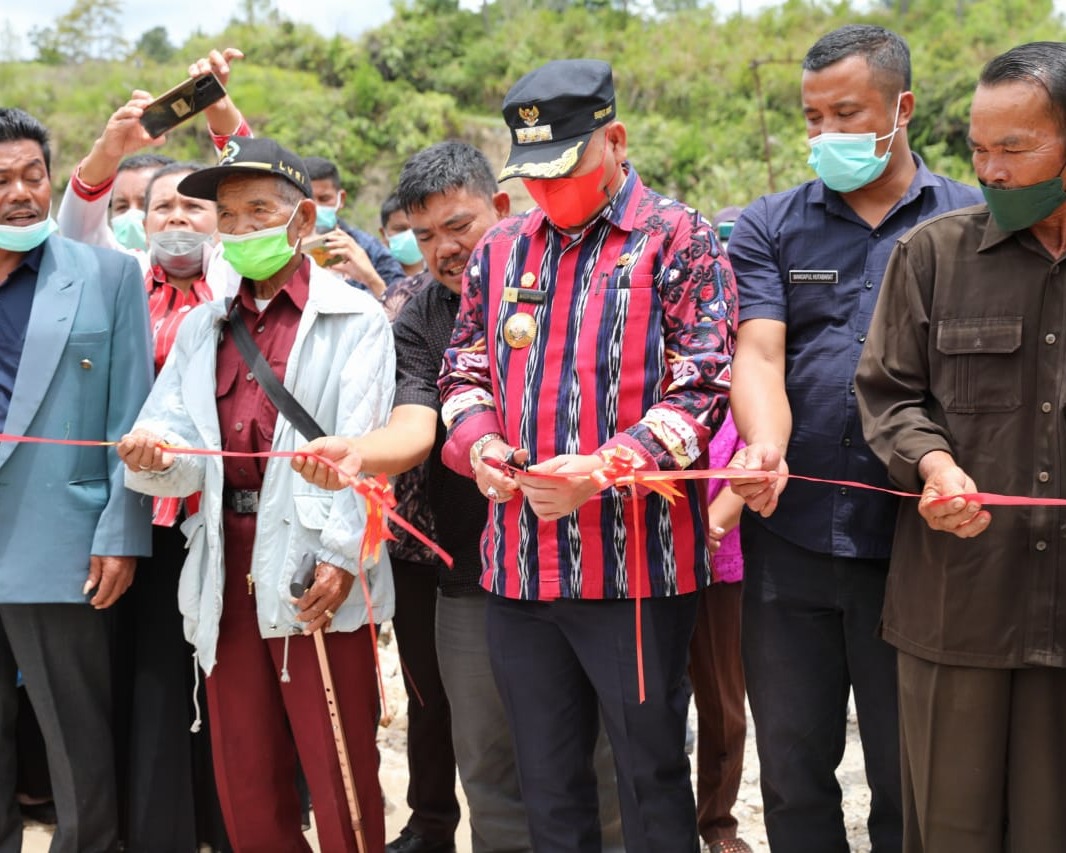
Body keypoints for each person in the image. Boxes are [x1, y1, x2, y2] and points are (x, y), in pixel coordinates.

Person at [292, 139, 625, 853]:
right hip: (474, 577)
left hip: (591, 564)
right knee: (487, 761)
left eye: (459, 225)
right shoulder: (419, 318)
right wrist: (359, 452)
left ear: (503, 208)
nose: (444, 248)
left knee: (601, 759)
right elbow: (416, 422)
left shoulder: (580, 281)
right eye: (424, 235)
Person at [436, 59, 736, 852]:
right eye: (531, 174)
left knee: (650, 774)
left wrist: (605, 469)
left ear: (614, 139)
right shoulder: (500, 249)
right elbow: (463, 367)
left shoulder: (677, 237)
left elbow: (704, 387)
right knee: (548, 777)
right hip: (519, 568)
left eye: (564, 168)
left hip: (634, 568)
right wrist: (482, 445)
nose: (547, 189)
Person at [725, 24, 982, 853]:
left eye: (846, 112)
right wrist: (763, 445)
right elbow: (760, 352)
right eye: (812, 117)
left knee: (911, 770)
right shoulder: (769, 226)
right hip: (790, 535)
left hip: (918, 541)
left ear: (901, 109)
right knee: (794, 768)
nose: (826, 134)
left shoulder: (969, 224)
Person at [116, 136, 395, 853]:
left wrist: (340, 558)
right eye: (229, 216)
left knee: (337, 769)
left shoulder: (353, 317)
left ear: (302, 220)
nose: (240, 230)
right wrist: (148, 458)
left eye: (258, 212)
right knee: (244, 775)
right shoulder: (205, 324)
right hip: (222, 561)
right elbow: (170, 445)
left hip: (312, 565)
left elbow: (364, 450)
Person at [854, 40, 1066, 853]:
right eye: (979, 149)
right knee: (951, 830)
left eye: (1014, 148)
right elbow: (890, 395)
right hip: (959, 609)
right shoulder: (933, 256)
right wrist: (934, 464)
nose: (992, 170)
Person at [0, 107, 154, 852]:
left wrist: (121, 532)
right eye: (1, 180)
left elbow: (131, 413)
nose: (21, 193)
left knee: (76, 744)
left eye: (33, 175)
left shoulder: (108, 274)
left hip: (63, 546)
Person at [57, 47, 250, 297]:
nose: (177, 218)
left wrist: (218, 106)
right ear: (145, 226)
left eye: (193, 206)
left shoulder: (239, 276)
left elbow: (250, 184)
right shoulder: (125, 276)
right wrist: (107, 151)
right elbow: (78, 230)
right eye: (162, 207)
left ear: (223, 222)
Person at [688, 408, 751, 853]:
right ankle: (663, 818)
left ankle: (718, 824)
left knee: (723, 704)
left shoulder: (743, 395)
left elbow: (747, 472)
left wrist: (706, 529)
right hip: (643, 564)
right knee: (651, 704)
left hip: (717, 564)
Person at [304, 155, 406, 297]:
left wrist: (371, 279)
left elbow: (402, 306)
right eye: (308, 201)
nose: (315, 207)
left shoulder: (369, 249)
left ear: (341, 199)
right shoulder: (285, 251)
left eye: (324, 199)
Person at [380, 192, 427, 278]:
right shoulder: (369, 279)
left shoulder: (444, 277)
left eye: (416, 229)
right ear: (383, 234)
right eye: (401, 229)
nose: (410, 235)